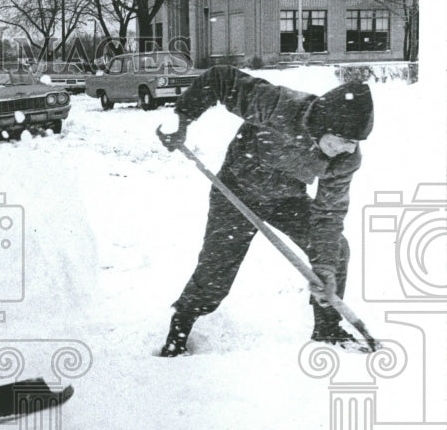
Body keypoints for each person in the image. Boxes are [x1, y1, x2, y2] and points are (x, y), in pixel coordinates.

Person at [156, 65, 374, 357]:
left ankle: (327, 328)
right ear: (326, 126)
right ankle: (180, 328)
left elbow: (329, 214)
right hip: (237, 190)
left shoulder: (344, 159)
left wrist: (323, 268)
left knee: (336, 252)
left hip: (287, 199)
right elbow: (220, 79)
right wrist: (182, 122)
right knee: (216, 270)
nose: (349, 150)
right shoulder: (280, 106)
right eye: (346, 141)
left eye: (355, 143)